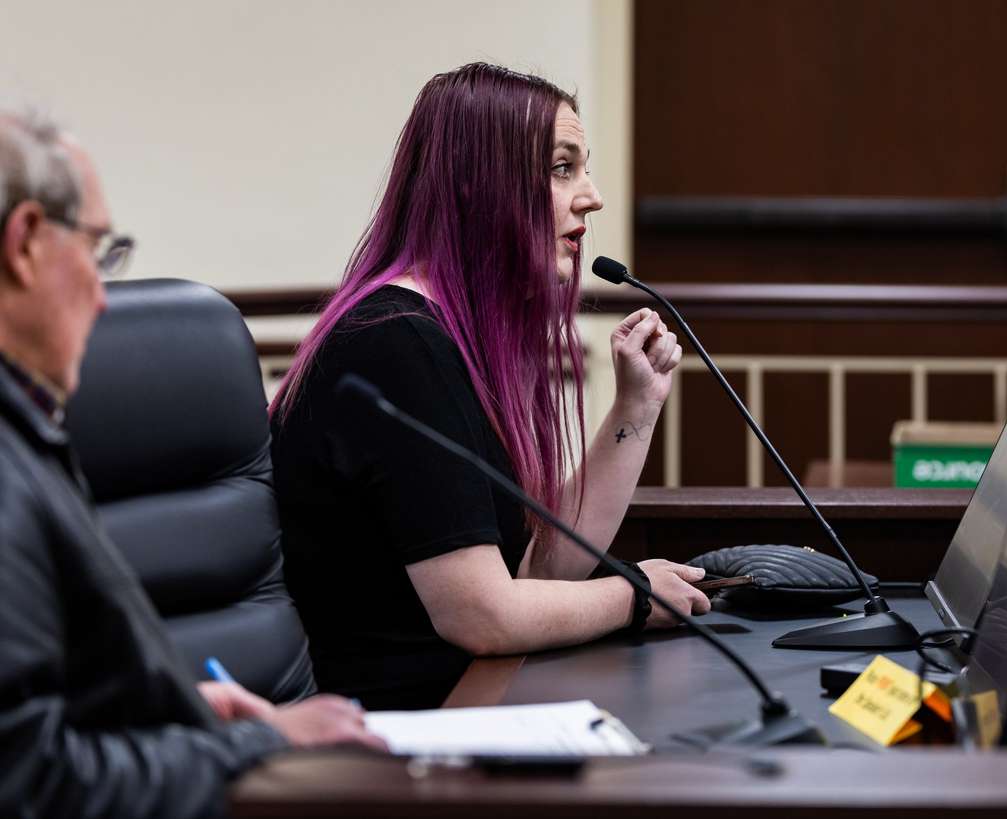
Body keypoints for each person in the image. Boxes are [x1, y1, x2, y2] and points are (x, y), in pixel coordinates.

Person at [269, 63, 711, 710]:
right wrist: (636, 594)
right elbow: (483, 616)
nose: (591, 196)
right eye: (563, 168)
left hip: (470, 698)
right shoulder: (394, 342)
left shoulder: (453, 334)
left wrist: (636, 408)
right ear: (482, 186)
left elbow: (534, 573)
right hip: (394, 744)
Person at [0, 109, 385, 819]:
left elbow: (51, 695)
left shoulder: (28, 430)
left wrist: (179, 707)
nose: (101, 291)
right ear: (24, 243)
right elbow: (31, 780)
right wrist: (257, 743)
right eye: (98, 251)